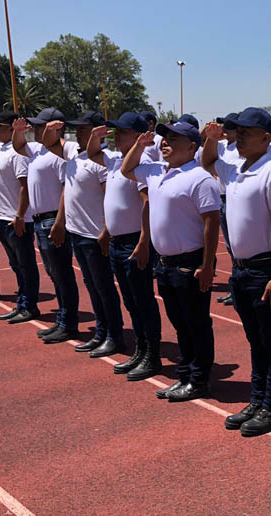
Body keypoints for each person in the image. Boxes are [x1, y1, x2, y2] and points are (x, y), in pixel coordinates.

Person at [202, 109, 271, 436]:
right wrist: (211, 140)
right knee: (255, 341)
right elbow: (208, 163)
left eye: (246, 132)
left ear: (266, 138)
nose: (237, 136)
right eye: (236, 131)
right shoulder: (238, 168)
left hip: (263, 269)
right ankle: (257, 400)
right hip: (240, 272)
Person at [122, 120, 221, 401]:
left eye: (174, 139)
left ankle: (198, 379)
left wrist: (207, 263)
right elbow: (127, 170)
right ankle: (185, 375)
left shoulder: (199, 177)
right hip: (164, 262)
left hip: (190, 262)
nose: (165, 142)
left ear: (192, 147)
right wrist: (140, 146)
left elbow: (211, 222)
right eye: (164, 137)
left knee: (196, 323)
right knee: (179, 323)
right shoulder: (155, 172)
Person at [86, 112, 163, 381]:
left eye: (123, 132)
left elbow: (147, 203)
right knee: (131, 301)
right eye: (116, 132)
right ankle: (141, 350)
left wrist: (144, 241)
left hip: (133, 242)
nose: (117, 136)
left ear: (139, 136)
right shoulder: (116, 160)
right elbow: (93, 154)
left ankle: (152, 355)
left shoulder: (143, 162)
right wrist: (96, 137)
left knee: (143, 301)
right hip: (118, 242)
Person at [43, 112, 125, 358]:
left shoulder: (104, 160)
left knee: (104, 287)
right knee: (92, 286)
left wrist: (106, 231)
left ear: (98, 131)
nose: (78, 132)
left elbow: (110, 199)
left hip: (95, 235)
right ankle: (101, 332)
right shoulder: (73, 154)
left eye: (83, 128)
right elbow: (48, 143)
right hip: (77, 232)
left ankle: (114, 335)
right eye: (76, 128)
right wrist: (51, 128)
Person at [12, 109, 82, 344]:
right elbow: (18, 146)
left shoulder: (62, 153)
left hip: (53, 218)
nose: (37, 130)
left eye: (42, 127)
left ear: (56, 128)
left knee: (62, 273)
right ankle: (62, 319)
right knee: (54, 273)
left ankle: (68, 323)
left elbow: (66, 189)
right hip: (40, 218)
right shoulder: (38, 150)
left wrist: (60, 221)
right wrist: (18, 131)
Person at [0, 111, 40, 323]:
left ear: (12, 128)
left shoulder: (18, 153)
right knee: (16, 264)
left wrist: (20, 215)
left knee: (25, 264)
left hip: (15, 219)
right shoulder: (2, 150)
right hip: (1, 217)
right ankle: (22, 302)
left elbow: (25, 187)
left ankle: (29, 305)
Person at [213, 112, 241, 307]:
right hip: (221, 199)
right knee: (230, 248)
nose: (224, 129)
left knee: (238, 246)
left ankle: (237, 289)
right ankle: (235, 288)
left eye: (228, 126)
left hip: (233, 198)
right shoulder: (221, 146)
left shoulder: (241, 149)